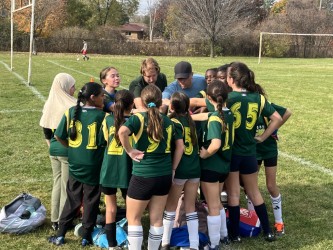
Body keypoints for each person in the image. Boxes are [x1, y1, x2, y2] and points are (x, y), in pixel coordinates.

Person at [118, 85, 183, 250]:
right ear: (161, 101)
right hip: (164, 175)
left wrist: (130, 151)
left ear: (142, 101)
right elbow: (180, 148)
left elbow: (122, 132)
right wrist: (173, 169)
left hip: (143, 175)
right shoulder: (168, 121)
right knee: (156, 219)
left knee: (134, 218)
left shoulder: (138, 118)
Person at [224, 62, 282, 242]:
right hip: (250, 153)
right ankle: (268, 231)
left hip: (233, 152)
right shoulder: (258, 97)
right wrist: (263, 136)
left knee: (233, 193)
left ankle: (234, 235)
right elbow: (277, 118)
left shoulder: (227, 97)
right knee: (254, 191)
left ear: (231, 79)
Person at [48, 82, 106, 246]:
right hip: (93, 165)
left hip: (75, 164)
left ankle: (60, 234)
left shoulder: (71, 112)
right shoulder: (102, 117)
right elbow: (105, 142)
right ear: (93, 98)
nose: (104, 98)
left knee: (72, 199)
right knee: (91, 200)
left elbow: (59, 136)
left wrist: (72, 148)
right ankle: (86, 236)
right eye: (102, 96)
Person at [161, 92, 200, 250]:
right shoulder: (191, 121)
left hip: (181, 169)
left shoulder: (173, 122)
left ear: (172, 106)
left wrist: (173, 168)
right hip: (195, 168)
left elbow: (180, 148)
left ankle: (165, 242)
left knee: (170, 207)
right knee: (190, 207)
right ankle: (195, 244)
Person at [198, 80, 234, 249]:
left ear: (209, 98)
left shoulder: (214, 118)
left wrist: (205, 153)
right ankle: (224, 234)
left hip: (211, 167)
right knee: (217, 202)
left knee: (212, 205)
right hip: (224, 167)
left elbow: (216, 144)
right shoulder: (228, 113)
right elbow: (207, 116)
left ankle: (214, 243)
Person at [39, 73, 77, 231]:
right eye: (73, 86)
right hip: (66, 148)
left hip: (53, 149)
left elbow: (46, 131)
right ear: (66, 87)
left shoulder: (49, 103)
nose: (74, 89)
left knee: (57, 183)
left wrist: (51, 147)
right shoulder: (70, 106)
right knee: (67, 186)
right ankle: (64, 219)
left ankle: (55, 218)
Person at [99, 90, 134, 250]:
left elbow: (104, 140)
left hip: (109, 168)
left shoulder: (107, 120)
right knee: (131, 208)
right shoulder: (135, 121)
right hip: (127, 168)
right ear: (132, 104)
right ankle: (131, 240)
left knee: (110, 208)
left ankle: (112, 244)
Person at [254, 103, 292, 236]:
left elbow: (287, 112)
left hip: (269, 151)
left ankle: (279, 222)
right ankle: (254, 219)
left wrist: (272, 128)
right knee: (251, 186)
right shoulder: (244, 106)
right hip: (253, 152)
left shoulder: (266, 106)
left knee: (271, 185)